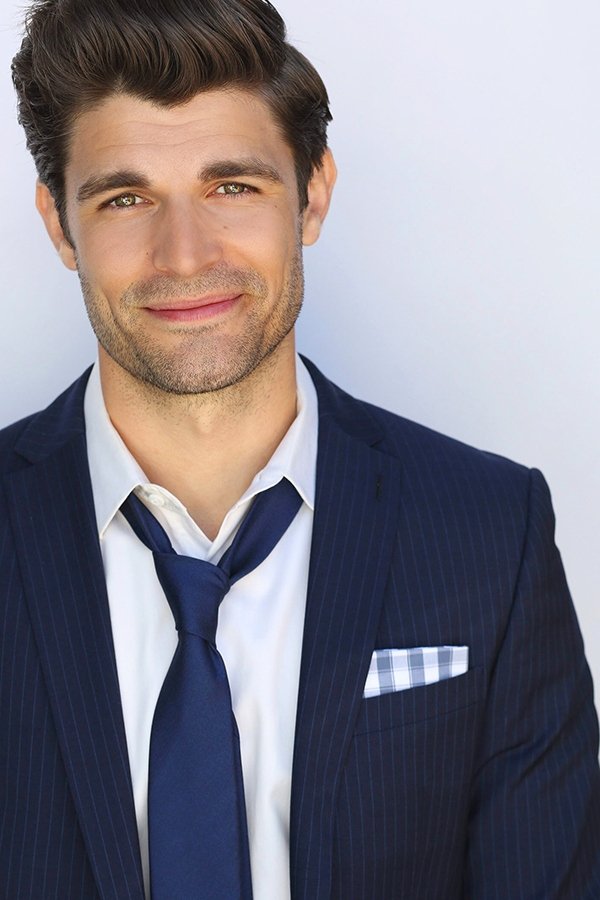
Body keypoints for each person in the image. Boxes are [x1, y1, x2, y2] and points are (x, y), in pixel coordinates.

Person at [2, 0, 599, 897]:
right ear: (58, 224)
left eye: (232, 187)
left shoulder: (490, 531)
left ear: (313, 195)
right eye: (126, 198)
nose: (184, 255)